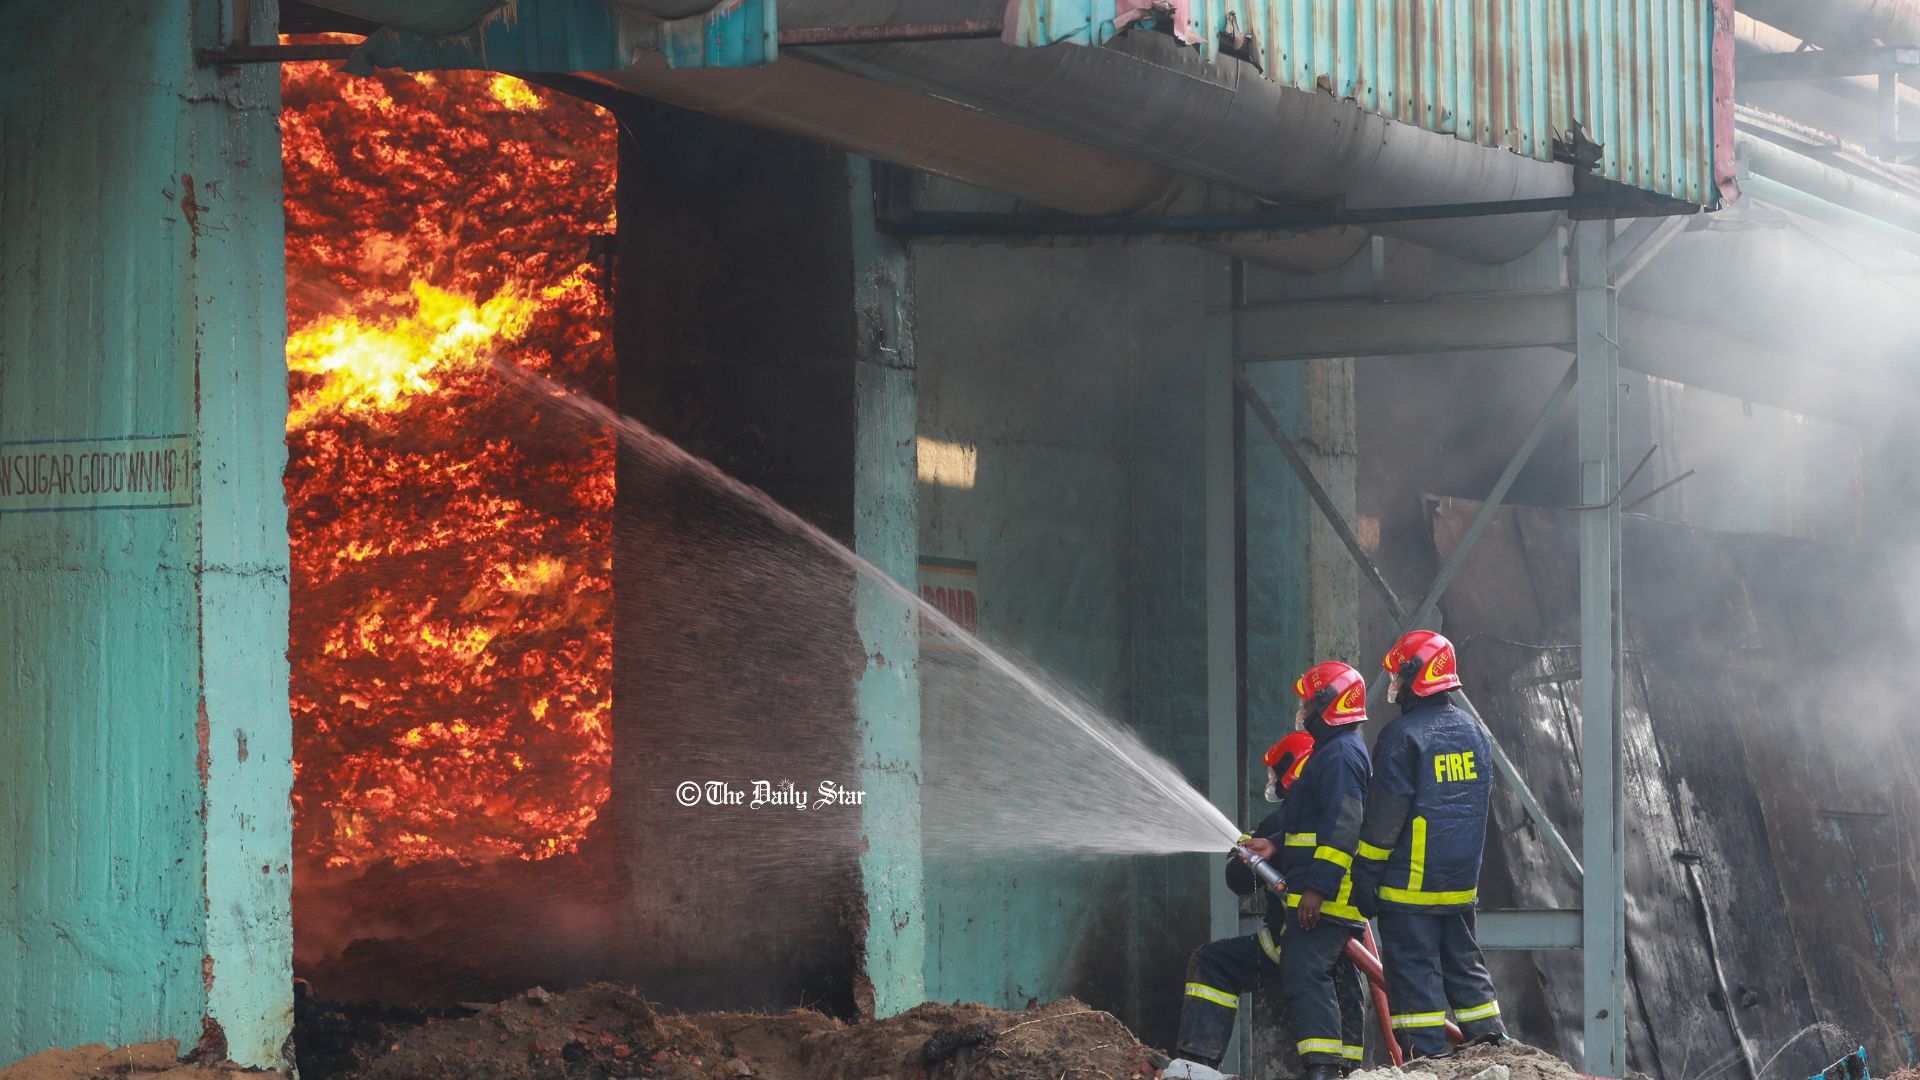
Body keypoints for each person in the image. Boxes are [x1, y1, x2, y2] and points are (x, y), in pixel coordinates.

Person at [1164, 731, 1366, 1080]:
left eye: (1276, 772)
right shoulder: (1338, 813)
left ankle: (1195, 1065)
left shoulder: (1284, 820)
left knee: (1212, 962)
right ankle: (1346, 1069)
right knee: (1340, 983)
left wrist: (1240, 857)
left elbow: (1241, 883)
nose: (1273, 781)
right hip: (1346, 940)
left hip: (1294, 937)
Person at [1352, 630, 1508, 1060]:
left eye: (1397, 675)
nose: (1392, 685)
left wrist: (1364, 878)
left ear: (1415, 674)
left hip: (1408, 890)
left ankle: (1428, 1061)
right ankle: (1493, 1050)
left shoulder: (1402, 736)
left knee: (1414, 975)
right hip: (1459, 886)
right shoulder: (1475, 732)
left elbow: (1384, 822)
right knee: (1465, 968)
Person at [1262, 662, 1374, 1080]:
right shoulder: (1333, 752)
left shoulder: (1341, 754)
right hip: (1326, 893)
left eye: (1309, 701)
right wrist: (1275, 844)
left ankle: (1324, 1070)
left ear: (1330, 704)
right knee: (1339, 982)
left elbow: (1344, 825)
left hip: (1328, 897)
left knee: (1305, 972)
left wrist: (1317, 889)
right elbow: (1313, 825)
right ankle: (1344, 1069)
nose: (1302, 709)